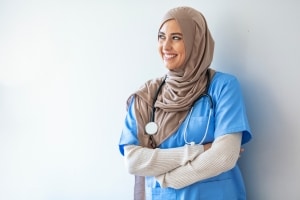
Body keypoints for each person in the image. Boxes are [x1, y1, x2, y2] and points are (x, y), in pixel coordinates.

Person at [118, 6, 252, 200]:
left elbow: (224, 157)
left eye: (176, 38)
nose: (165, 46)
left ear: (196, 41)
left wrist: (168, 178)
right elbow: (133, 161)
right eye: (161, 37)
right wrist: (201, 150)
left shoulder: (223, 87)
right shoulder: (147, 96)